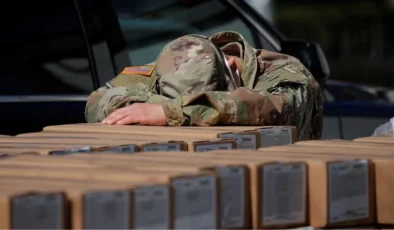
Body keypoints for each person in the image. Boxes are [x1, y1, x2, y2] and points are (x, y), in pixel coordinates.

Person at [85, 31, 323, 140]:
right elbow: (98, 100)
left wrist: (170, 112)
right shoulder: (178, 63)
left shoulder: (286, 74)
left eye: (204, 97)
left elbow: (277, 110)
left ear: (232, 67)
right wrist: (168, 108)